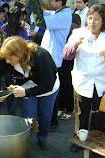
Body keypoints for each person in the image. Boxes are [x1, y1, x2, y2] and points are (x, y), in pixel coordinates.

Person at [62, 5, 105, 153]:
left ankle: (97, 142)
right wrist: (75, 45)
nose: (92, 22)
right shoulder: (78, 33)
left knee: (100, 114)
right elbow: (66, 55)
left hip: (104, 81)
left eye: (97, 19)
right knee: (81, 113)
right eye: (90, 18)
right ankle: (78, 139)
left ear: (103, 21)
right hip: (83, 80)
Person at [0, 36, 59, 150]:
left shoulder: (40, 55)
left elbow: (47, 85)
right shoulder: (11, 57)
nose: (7, 62)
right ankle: (24, 141)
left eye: (9, 59)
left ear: (18, 54)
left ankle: (42, 138)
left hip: (49, 88)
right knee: (28, 116)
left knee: (45, 116)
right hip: (28, 86)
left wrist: (25, 92)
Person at [31, 0, 72, 131]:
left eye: (51, 0)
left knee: (51, 90)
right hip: (49, 56)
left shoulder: (64, 15)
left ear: (59, 2)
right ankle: (50, 120)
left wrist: (34, 3)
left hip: (54, 58)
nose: (48, 2)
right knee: (50, 88)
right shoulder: (56, 13)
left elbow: (41, 22)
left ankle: (52, 122)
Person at [1, 5, 28, 115]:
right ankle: (12, 112)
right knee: (17, 86)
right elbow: (26, 46)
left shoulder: (4, 29)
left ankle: (10, 111)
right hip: (18, 63)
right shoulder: (22, 31)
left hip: (6, 62)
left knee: (8, 87)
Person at [58, 14, 81, 120]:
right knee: (67, 85)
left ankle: (65, 108)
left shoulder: (73, 28)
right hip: (69, 60)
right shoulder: (73, 28)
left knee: (64, 85)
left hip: (66, 60)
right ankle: (66, 109)